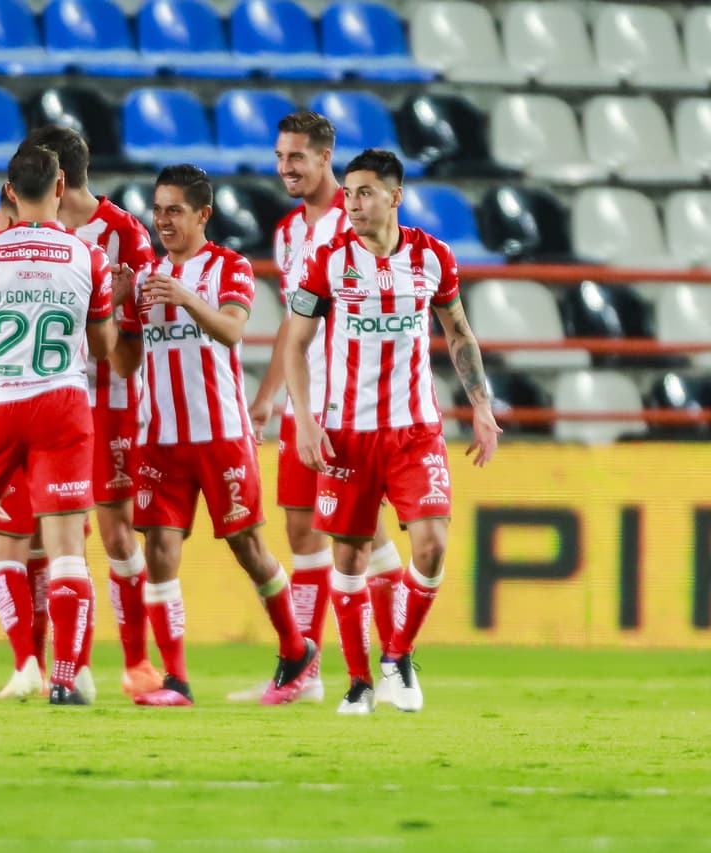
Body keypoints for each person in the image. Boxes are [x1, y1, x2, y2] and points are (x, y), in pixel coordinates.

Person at [284, 148, 501, 714]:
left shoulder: (433, 257)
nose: (353, 203)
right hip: (347, 434)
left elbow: (459, 333)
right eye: (348, 193)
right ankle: (358, 682)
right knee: (350, 560)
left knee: (431, 547)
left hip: (415, 431)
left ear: (395, 197)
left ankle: (397, 656)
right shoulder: (328, 260)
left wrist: (481, 406)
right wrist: (304, 418)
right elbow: (295, 344)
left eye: (365, 192)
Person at [115, 165, 317, 707]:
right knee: (159, 550)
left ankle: (296, 650)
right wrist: (114, 307)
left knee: (248, 548)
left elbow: (231, 329)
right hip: (159, 438)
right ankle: (176, 680)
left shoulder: (230, 266)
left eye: (175, 210)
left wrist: (184, 298)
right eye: (158, 210)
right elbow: (124, 361)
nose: (163, 221)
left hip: (221, 434)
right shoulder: (144, 278)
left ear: (203, 214)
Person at [233, 111, 406, 704]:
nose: (286, 168)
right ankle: (309, 669)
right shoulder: (288, 232)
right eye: (280, 157)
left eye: (297, 157)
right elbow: (295, 320)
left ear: (325, 157)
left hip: (353, 405)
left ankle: (395, 660)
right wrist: (268, 398)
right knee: (305, 530)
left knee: (358, 533)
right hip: (304, 403)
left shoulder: (359, 219)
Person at [0, 143, 118, 706]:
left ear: (9, 192)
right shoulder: (89, 256)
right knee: (67, 547)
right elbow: (103, 348)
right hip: (62, 402)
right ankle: (65, 678)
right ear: (61, 186)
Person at [22, 124, 163, 700]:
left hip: (109, 404)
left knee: (116, 533)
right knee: (46, 535)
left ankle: (136, 663)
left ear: (56, 176)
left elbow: (127, 357)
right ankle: (58, 665)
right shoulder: (28, 231)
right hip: (41, 399)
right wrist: (103, 302)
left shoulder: (126, 235)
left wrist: (103, 310)